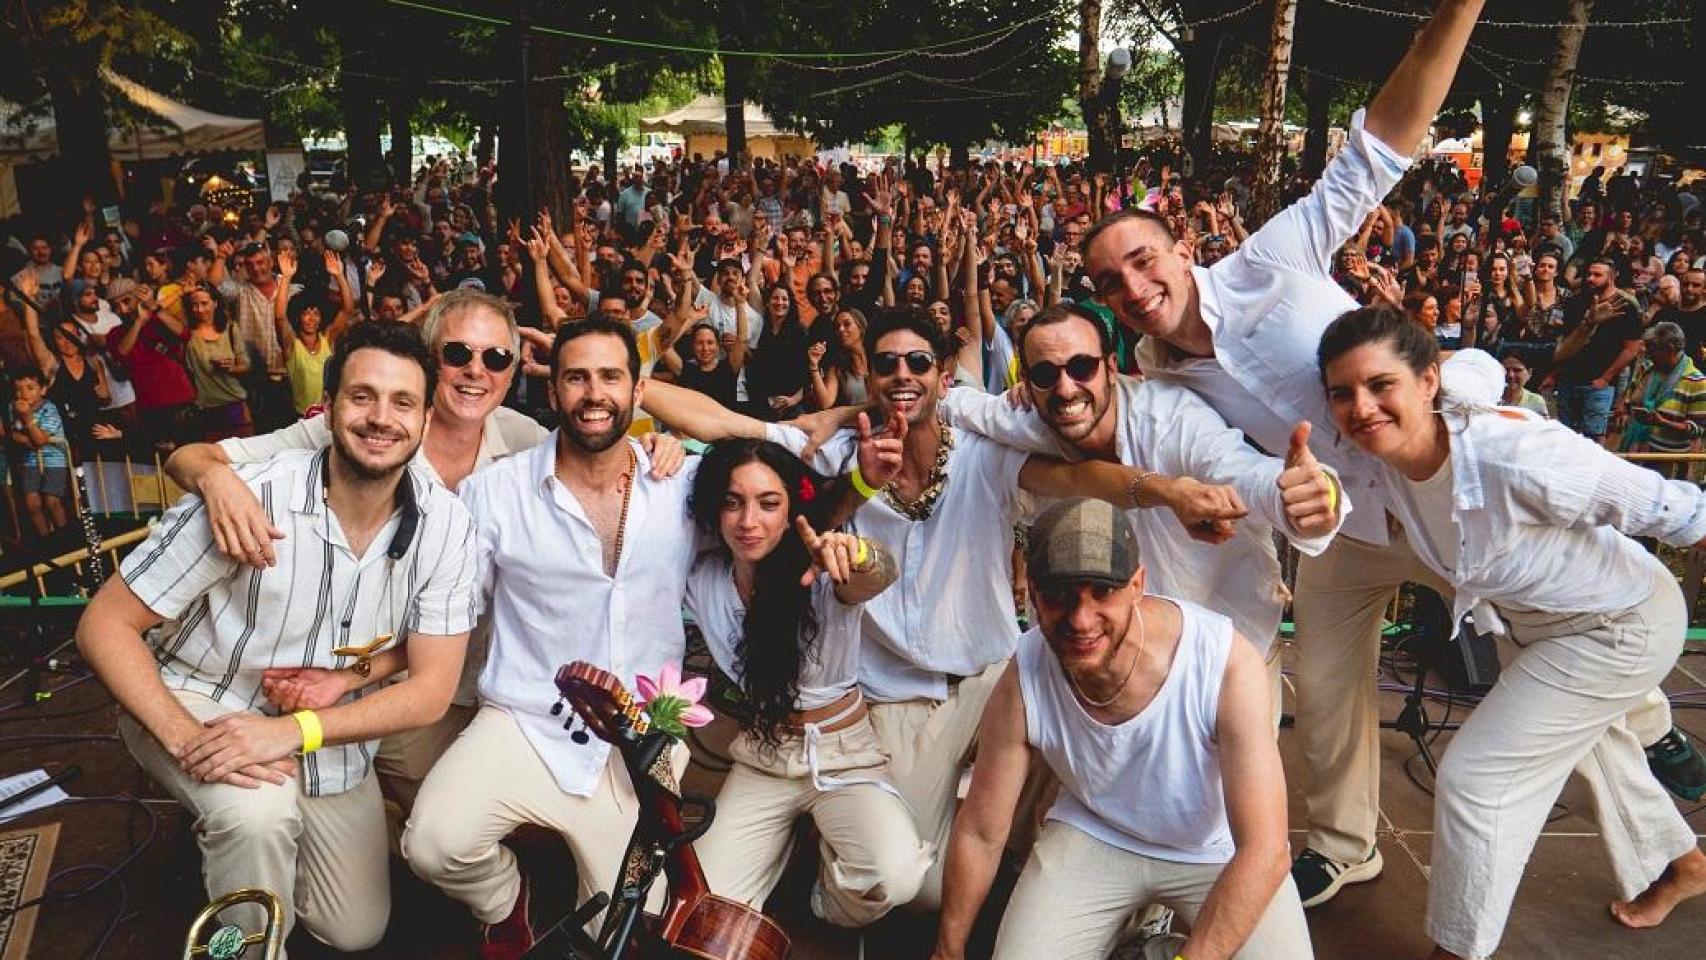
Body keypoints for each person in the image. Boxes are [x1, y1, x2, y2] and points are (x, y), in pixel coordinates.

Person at [1080, 0, 1489, 905]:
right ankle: (1347, 845)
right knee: (1329, 687)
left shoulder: (1274, 257)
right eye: (1111, 282)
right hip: (1334, 529)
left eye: (1144, 260)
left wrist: (1456, 13)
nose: (1135, 287)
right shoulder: (1156, 389)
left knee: (1537, 614)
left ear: (1182, 248)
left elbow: (1382, 143)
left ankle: (1646, 717)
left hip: (1435, 481)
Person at [73, 321, 478, 953]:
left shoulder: (447, 526)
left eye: (402, 402)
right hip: (199, 691)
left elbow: (430, 690)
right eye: (361, 396)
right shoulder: (254, 493)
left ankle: (235, 858)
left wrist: (290, 732)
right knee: (255, 813)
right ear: (330, 407)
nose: (381, 418)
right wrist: (188, 743)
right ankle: (243, 944)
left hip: (317, 730)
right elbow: (104, 623)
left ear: (426, 419)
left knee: (355, 930)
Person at [1316, 307, 1706, 960]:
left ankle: (1458, 950)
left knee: (1479, 780)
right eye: (1342, 392)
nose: (1361, 407)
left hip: (1620, 626)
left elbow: (1677, 507)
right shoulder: (1376, 460)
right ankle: (1682, 866)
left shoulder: (1521, 456)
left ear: (1428, 382)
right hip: (1533, 630)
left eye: (1381, 384)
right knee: (1589, 765)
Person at [400, 317, 698, 960]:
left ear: (638, 390)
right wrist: (355, 671)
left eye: (610, 376)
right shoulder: (493, 493)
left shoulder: (681, 485)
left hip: (642, 734)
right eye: (577, 377)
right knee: (432, 843)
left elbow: (782, 468)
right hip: (526, 718)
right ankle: (506, 901)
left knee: (627, 932)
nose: (594, 392)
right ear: (554, 392)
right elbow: (450, 609)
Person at [929, 498, 1312, 960]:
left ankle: (1157, 944)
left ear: (1138, 585)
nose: (1080, 619)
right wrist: (948, 949)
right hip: (1097, 830)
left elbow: (1266, 849)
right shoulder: (1026, 671)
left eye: (1102, 592)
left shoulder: (1223, 660)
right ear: (1032, 593)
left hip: (1214, 849)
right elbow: (981, 831)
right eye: (1060, 595)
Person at [685, 440, 931, 927]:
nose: (749, 521)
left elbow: (876, 574)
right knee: (705, 913)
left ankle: (820, 895)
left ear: (792, 507)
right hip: (764, 752)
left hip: (843, 754)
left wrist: (855, 552)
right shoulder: (703, 580)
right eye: (733, 502)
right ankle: (781, 849)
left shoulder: (821, 570)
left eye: (768, 503)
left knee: (896, 877)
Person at [1552, 258, 1644, 441]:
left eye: (1597, 275)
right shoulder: (1575, 302)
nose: (1590, 279)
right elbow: (1565, 342)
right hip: (1569, 379)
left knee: (1593, 438)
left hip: (1599, 382)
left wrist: (1605, 378)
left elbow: (1632, 349)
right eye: (1588, 274)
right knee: (1565, 437)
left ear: (1610, 278)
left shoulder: (1626, 306)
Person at [8, 368, 70, 535]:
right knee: (32, 504)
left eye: (30, 388)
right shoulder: (12, 409)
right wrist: (23, 439)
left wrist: (27, 418)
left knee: (52, 501)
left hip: (54, 460)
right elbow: (7, 432)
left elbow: (40, 440)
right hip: (29, 461)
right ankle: (46, 541)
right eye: (18, 390)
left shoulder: (49, 409)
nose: (24, 394)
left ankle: (66, 538)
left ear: (42, 389)